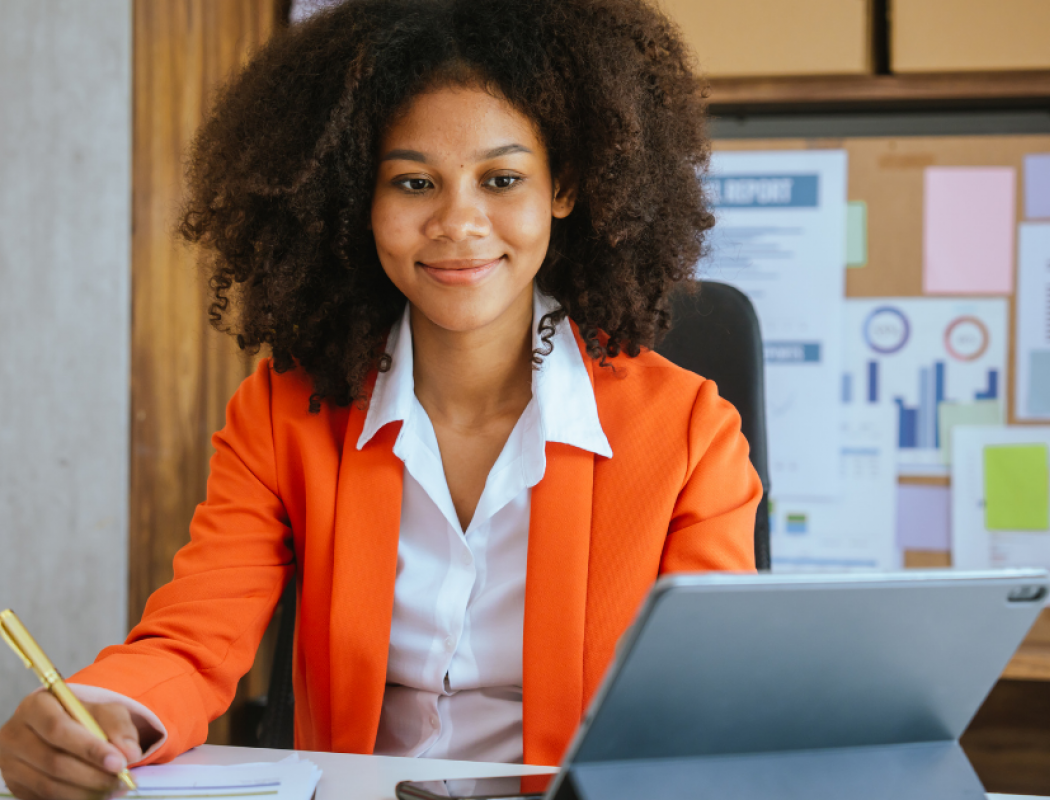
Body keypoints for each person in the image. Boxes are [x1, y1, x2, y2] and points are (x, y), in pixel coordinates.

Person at [0, 0, 760, 796]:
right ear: (355, 200)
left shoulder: (688, 433)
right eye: (413, 182)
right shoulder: (284, 413)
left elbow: (711, 701)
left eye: (502, 179)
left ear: (564, 188)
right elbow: (193, 642)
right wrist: (104, 714)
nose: (458, 223)